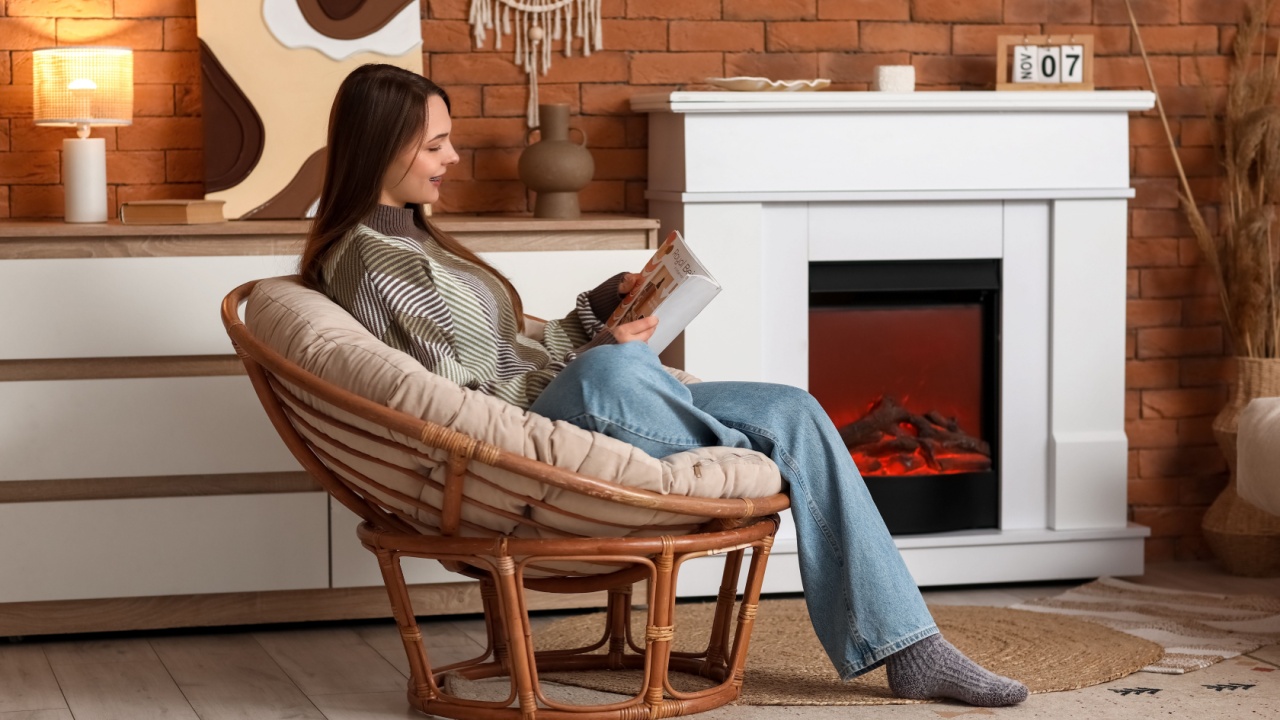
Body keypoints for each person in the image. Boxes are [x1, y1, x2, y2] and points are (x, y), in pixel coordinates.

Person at [300, 64, 1029, 707]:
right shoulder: (371, 261)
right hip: (519, 436)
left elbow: (510, 347)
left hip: (562, 398)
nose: (451, 157)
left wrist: (598, 308)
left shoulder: (418, 240)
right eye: (434, 145)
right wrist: (600, 360)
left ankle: (909, 649)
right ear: (381, 147)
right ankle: (726, 438)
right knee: (616, 371)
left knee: (795, 407)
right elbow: (467, 395)